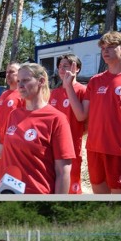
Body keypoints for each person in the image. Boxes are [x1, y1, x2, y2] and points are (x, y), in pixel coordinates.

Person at [0, 63, 75, 194]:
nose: (20, 85)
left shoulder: (56, 119)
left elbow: (63, 172)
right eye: (19, 80)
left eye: (25, 80)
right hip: (8, 192)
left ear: (41, 81)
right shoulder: (14, 115)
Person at [63, 30, 121, 194]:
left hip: (120, 151)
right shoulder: (95, 80)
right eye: (103, 48)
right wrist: (68, 86)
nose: (105, 51)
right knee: (100, 199)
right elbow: (81, 115)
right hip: (94, 150)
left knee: (118, 204)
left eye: (110, 47)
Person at [49, 54, 87, 194]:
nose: (61, 69)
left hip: (71, 146)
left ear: (76, 69)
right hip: (52, 146)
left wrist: (74, 134)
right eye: (59, 66)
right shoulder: (54, 93)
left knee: (71, 184)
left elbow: (84, 120)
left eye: (65, 66)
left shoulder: (82, 90)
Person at [0, 62, 25, 180]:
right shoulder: (3, 95)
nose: (8, 74)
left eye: (11, 72)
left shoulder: (23, 95)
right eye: (7, 72)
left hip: (13, 146)